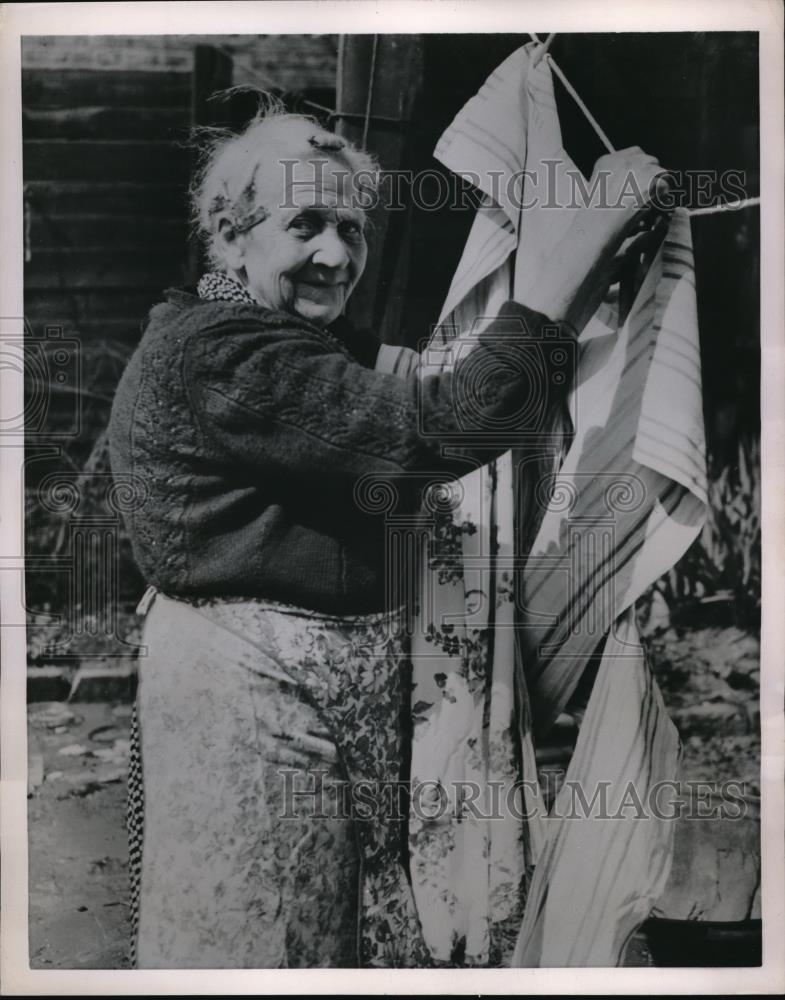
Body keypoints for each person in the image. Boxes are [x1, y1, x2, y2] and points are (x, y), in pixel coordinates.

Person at [108, 105, 663, 968]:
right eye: (305, 225)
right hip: (252, 704)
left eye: (350, 227)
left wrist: (586, 293)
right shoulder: (225, 355)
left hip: (306, 700)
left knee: (320, 941)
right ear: (230, 232)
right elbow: (437, 427)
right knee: (264, 946)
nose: (336, 255)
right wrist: (572, 260)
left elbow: (427, 383)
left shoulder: (281, 336)